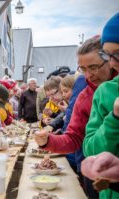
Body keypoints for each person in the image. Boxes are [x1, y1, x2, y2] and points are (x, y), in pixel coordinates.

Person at [34, 35, 117, 199]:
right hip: (94, 171)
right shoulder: (83, 96)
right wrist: (48, 141)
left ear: (111, 60)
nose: (88, 75)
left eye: (93, 67)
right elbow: (74, 137)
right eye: (83, 69)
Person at [83, 12, 119, 198]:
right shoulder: (106, 92)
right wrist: (114, 119)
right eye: (108, 55)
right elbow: (90, 149)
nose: (113, 63)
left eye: (118, 54)